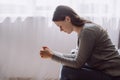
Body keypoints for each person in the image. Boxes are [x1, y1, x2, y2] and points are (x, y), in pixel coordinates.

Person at [40, 5, 120, 80]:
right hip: (100, 68)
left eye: (60, 26)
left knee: (66, 71)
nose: (60, 30)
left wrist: (51, 56)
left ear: (67, 19)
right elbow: (76, 57)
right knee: (66, 64)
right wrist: (52, 53)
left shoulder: (87, 31)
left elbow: (77, 63)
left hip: (112, 75)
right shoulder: (84, 30)